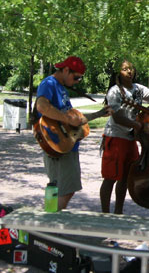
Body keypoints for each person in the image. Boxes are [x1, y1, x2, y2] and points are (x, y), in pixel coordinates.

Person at [35, 56, 111, 211]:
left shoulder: (61, 87)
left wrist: (99, 113)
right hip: (57, 142)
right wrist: (66, 119)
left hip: (66, 144)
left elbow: (74, 119)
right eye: (76, 77)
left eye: (80, 79)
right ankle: (50, 223)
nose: (77, 81)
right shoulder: (49, 83)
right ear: (66, 70)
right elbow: (42, 106)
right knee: (66, 189)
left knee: (59, 188)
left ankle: (50, 220)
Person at [99, 60, 149, 214]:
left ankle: (118, 212)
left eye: (131, 68)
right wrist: (141, 125)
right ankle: (105, 215)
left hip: (131, 138)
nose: (129, 71)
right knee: (110, 178)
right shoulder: (114, 91)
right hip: (116, 137)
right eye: (125, 69)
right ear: (119, 72)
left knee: (125, 178)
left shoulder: (138, 89)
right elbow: (118, 117)